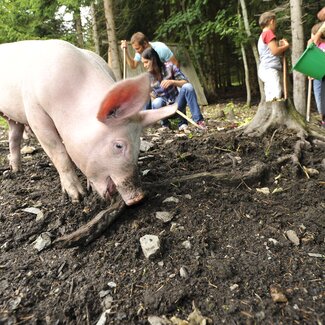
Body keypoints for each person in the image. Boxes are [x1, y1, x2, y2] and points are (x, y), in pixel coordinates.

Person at [141, 47, 206, 130]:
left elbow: (185, 82)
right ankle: (165, 125)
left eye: (146, 62)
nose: (145, 66)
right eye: (143, 63)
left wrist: (172, 82)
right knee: (157, 102)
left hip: (177, 105)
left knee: (188, 87)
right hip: (165, 110)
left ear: (153, 60)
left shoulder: (170, 67)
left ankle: (198, 121)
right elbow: (151, 96)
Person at [257, 11, 290, 101]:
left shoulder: (263, 34)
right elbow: (275, 51)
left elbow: (271, 50)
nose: (275, 25)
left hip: (266, 68)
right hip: (269, 69)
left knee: (271, 95)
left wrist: (280, 46)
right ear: (271, 21)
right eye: (275, 22)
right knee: (276, 94)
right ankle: (275, 115)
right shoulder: (268, 33)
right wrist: (286, 46)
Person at [310, 23, 325, 128]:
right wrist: (310, 71)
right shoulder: (315, 47)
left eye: (313, 34)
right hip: (317, 78)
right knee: (319, 100)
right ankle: (323, 120)